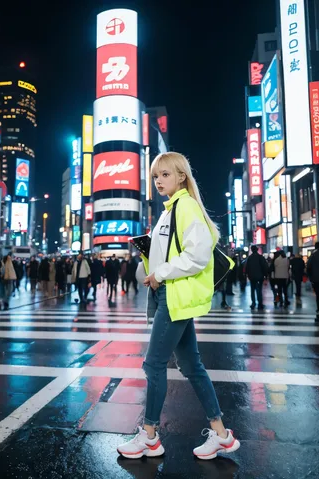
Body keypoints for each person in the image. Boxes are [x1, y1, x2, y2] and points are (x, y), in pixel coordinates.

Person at [117, 152, 239, 461]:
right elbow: (172, 254)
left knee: (154, 364)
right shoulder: (170, 210)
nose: (159, 180)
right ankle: (222, 436)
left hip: (174, 298)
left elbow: (197, 255)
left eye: (165, 175)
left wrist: (161, 272)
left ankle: (149, 437)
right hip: (171, 296)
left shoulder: (184, 207)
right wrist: (150, 260)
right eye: (156, 176)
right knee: (190, 366)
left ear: (181, 176)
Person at [245, 245, 268, 310]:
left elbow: (247, 268)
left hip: (252, 277)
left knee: (252, 290)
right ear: (257, 250)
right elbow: (265, 267)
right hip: (260, 276)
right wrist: (265, 276)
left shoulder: (250, 258)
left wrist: (247, 275)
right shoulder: (260, 257)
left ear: (252, 250)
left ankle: (253, 303)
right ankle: (260, 304)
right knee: (259, 290)